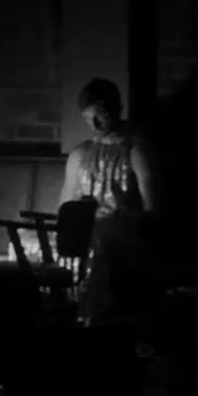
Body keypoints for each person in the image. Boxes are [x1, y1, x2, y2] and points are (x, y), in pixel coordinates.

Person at [58, 78, 159, 324]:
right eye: (87, 118)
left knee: (102, 236)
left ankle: (93, 315)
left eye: (99, 116)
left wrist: (123, 217)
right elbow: (64, 206)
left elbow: (154, 210)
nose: (93, 124)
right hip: (85, 232)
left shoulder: (135, 151)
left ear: (115, 110)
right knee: (84, 236)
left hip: (122, 232)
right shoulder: (80, 154)